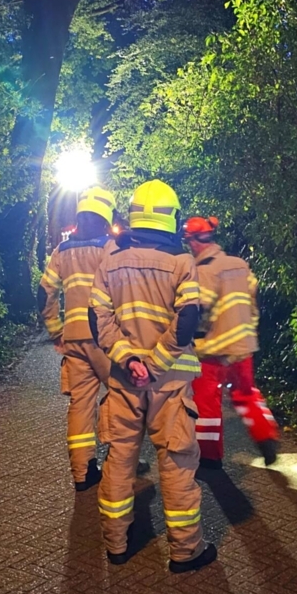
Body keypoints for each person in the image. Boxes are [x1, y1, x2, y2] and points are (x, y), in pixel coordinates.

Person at [89, 180, 217, 573]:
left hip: (124, 384)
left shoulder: (109, 262)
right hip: (170, 385)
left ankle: (116, 546)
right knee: (177, 464)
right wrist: (156, 364)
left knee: (119, 460)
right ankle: (185, 551)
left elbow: (99, 320)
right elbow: (188, 320)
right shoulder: (182, 264)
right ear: (170, 217)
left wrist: (130, 361)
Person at [183, 216, 279, 468]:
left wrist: (191, 339)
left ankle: (210, 457)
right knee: (246, 393)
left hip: (213, 351)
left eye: (189, 241)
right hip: (243, 346)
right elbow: (253, 300)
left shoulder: (204, 271)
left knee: (207, 402)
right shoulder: (240, 264)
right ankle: (266, 437)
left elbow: (200, 310)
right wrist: (250, 329)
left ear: (194, 241)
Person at [40, 186, 120, 491]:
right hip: (104, 337)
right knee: (118, 393)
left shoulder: (62, 251)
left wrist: (54, 329)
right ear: (104, 217)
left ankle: (83, 472)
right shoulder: (110, 248)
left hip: (73, 338)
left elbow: (44, 291)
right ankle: (116, 459)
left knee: (80, 404)